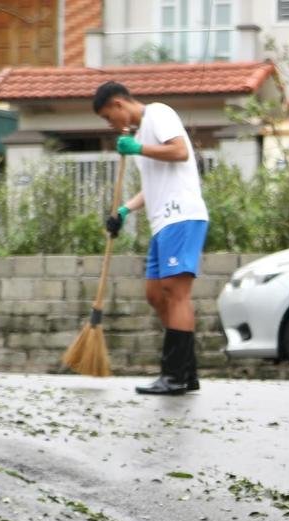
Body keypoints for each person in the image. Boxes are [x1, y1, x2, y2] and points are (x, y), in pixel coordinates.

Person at [93, 81, 209, 395]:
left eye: (108, 117)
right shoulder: (140, 134)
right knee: (155, 295)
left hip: (181, 215)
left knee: (175, 292)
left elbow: (181, 152)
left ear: (119, 104)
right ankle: (187, 371)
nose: (110, 124)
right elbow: (153, 184)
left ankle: (173, 377)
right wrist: (124, 210)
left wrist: (138, 149)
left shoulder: (158, 113)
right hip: (162, 222)